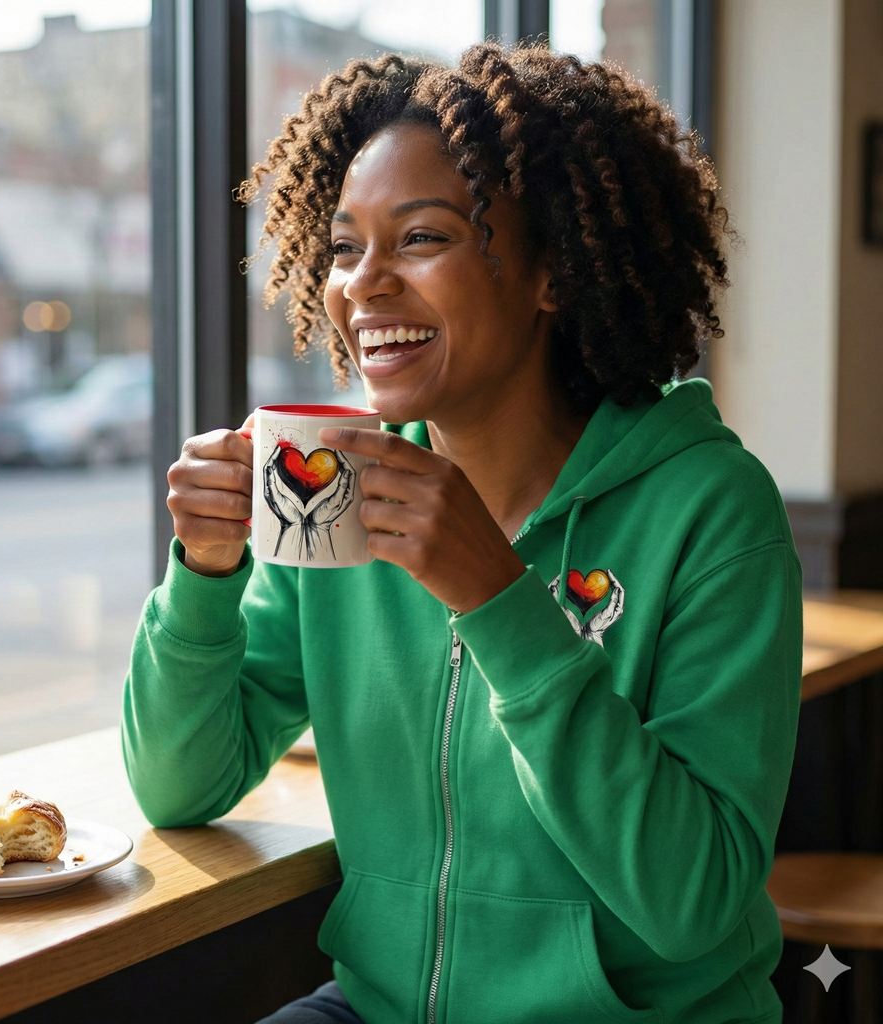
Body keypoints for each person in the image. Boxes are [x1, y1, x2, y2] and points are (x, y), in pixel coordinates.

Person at [122, 42, 802, 1024]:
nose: (364, 286)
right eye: (346, 246)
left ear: (552, 273)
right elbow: (177, 783)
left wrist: (497, 600)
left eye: (422, 238)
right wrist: (203, 569)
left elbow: (691, 902)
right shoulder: (335, 492)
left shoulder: (708, 508)